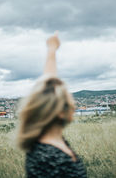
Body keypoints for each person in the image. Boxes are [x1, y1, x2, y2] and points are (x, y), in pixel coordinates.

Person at [17, 32, 87, 177]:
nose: (74, 107)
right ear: (59, 112)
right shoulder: (48, 159)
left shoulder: (46, 140)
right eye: (71, 104)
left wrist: (52, 49)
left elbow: (49, 86)